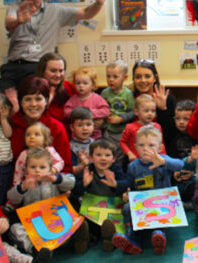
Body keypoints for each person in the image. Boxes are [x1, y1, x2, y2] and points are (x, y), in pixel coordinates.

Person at [0, 0, 108, 92]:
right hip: (13, 67)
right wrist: (19, 20)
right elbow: (9, 23)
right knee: (3, 103)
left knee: (34, 99)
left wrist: (98, 3)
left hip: (39, 67)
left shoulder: (56, 10)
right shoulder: (15, 8)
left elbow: (85, 13)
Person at [112, 125, 184, 254]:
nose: (146, 149)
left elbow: (180, 165)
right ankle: (133, 239)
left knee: (159, 219)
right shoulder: (133, 166)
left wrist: (163, 162)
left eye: (151, 145)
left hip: (162, 204)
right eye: (141, 145)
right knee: (127, 208)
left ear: (160, 147)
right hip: (143, 205)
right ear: (135, 147)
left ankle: (159, 234)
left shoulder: (164, 160)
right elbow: (131, 184)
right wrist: (128, 194)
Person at [7, 147, 80, 253]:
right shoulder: (25, 184)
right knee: (15, 229)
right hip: (34, 223)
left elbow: (71, 182)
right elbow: (12, 198)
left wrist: (56, 179)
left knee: (73, 215)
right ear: (26, 169)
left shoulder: (53, 180)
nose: (37, 170)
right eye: (33, 167)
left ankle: (74, 240)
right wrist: (22, 188)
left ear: (50, 168)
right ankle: (36, 249)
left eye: (42, 167)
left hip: (54, 218)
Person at [72, 138, 129, 252]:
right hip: (93, 209)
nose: (103, 158)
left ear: (113, 159)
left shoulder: (116, 170)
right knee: (86, 221)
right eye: (98, 155)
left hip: (112, 209)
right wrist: (84, 184)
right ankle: (84, 239)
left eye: (107, 155)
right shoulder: (88, 170)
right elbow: (75, 190)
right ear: (91, 158)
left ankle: (109, 239)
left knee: (114, 223)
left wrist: (115, 184)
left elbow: (126, 183)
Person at [10, 76, 72, 174]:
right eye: (28, 99)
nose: (33, 104)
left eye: (38, 99)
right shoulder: (11, 125)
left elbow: (66, 167)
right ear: (20, 101)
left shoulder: (56, 127)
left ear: (46, 101)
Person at [131, 59, 176, 142]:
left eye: (147, 76)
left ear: (155, 78)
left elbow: (172, 133)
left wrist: (163, 109)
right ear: (133, 79)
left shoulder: (167, 98)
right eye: (138, 77)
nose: (143, 80)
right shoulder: (130, 98)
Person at [101, 60, 135, 161]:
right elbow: (100, 108)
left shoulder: (128, 94)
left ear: (124, 78)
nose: (111, 80)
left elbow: (133, 112)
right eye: (108, 76)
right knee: (107, 153)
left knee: (119, 156)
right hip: (107, 130)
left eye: (115, 77)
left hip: (122, 132)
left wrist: (120, 119)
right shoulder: (104, 93)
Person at [12, 122, 65, 187]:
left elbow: (60, 162)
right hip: (31, 185)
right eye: (28, 135)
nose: (31, 137)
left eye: (36, 134)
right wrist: (17, 186)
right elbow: (18, 172)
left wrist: (54, 169)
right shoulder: (23, 154)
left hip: (48, 183)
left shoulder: (49, 151)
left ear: (45, 139)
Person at [63, 66, 109, 139]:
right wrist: (77, 114)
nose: (81, 86)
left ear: (93, 85)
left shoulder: (97, 98)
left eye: (85, 83)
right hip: (77, 137)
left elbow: (106, 111)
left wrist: (90, 113)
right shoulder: (73, 99)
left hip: (95, 136)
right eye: (78, 83)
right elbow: (66, 112)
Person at [120, 94, 166, 161]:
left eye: (153, 111)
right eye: (146, 111)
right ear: (136, 112)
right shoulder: (130, 127)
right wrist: (129, 153)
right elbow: (122, 142)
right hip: (136, 161)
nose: (150, 114)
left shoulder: (157, 126)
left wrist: (163, 157)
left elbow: (161, 144)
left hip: (153, 161)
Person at [36, 52, 76, 124]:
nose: (58, 75)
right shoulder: (34, 90)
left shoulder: (69, 87)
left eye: (61, 71)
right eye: (53, 71)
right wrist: (49, 99)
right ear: (42, 71)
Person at [68, 107, 94, 176]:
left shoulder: (95, 143)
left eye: (88, 124)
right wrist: (83, 164)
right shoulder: (71, 147)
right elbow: (71, 170)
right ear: (72, 127)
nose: (85, 128)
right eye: (80, 125)